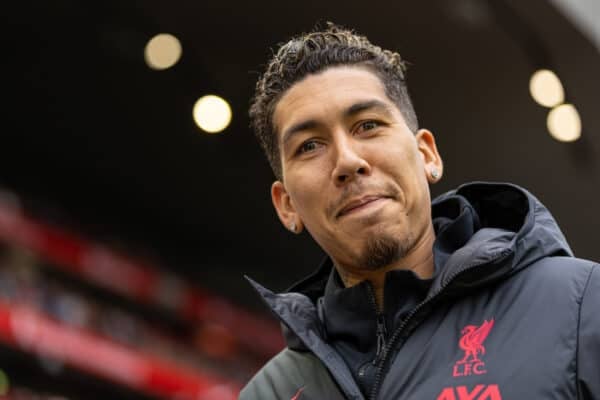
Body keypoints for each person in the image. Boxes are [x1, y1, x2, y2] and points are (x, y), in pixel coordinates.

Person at [239, 22, 599, 400]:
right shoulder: (268, 394)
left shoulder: (580, 307)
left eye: (368, 125)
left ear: (427, 155)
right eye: (310, 146)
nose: (347, 160)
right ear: (287, 205)